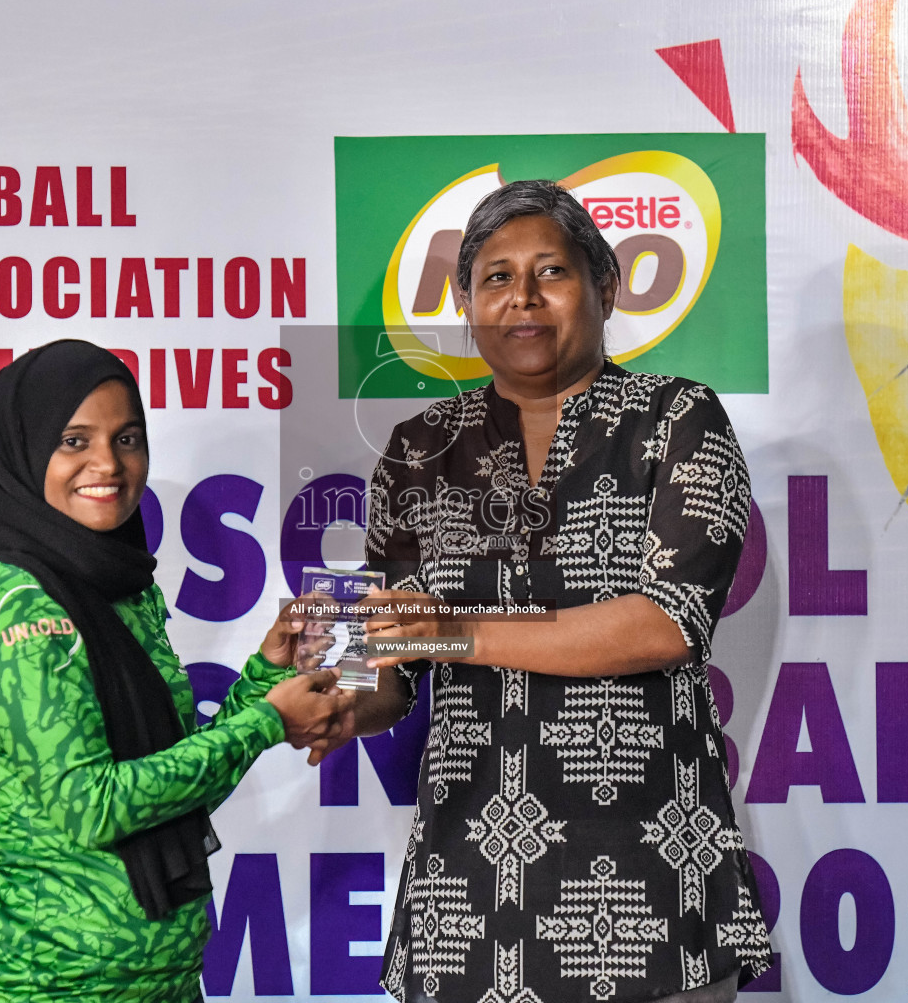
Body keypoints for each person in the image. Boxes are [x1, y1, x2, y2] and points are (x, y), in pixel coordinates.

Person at [328, 181, 772, 1003]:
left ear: (605, 288)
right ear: (464, 301)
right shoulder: (419, 449)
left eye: (550, 273)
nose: (521, 299)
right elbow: (392, 667)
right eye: (494, 278)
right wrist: (335, 693)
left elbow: (666, 624)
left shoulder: (678, 419)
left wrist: (457, 629)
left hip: (650, 891)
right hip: (465, 897)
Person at [0, 339, 348, 1002]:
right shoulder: (7, 598)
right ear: (26, 447)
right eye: (74, 440)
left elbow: (171, 790)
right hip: (40, 988)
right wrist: (267, 723)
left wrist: (267, 676)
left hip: (159, 985)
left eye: (127, 438)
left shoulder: (112, 586)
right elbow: (93, 805)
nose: (108, 464)